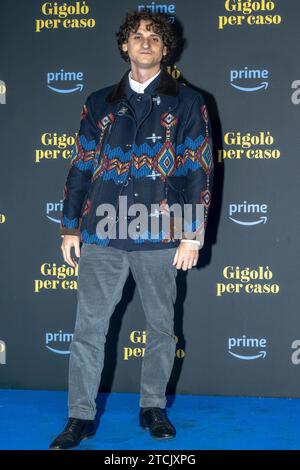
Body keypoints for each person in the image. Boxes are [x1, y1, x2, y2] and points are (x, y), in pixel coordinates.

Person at [49, 10, 214, 450]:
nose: (145, 43)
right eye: (137, 36)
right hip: (102, 234)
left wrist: (190, 235)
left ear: (166, 48)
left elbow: (198, 170)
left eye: (154, 38)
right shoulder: (99, 101)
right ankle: (79, 417)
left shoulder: (188, 102)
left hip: (161, 236)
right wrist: (69, 229)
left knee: (161, 327)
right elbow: (81, 165)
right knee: (88, 329)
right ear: (125, 45)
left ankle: (152, 407)